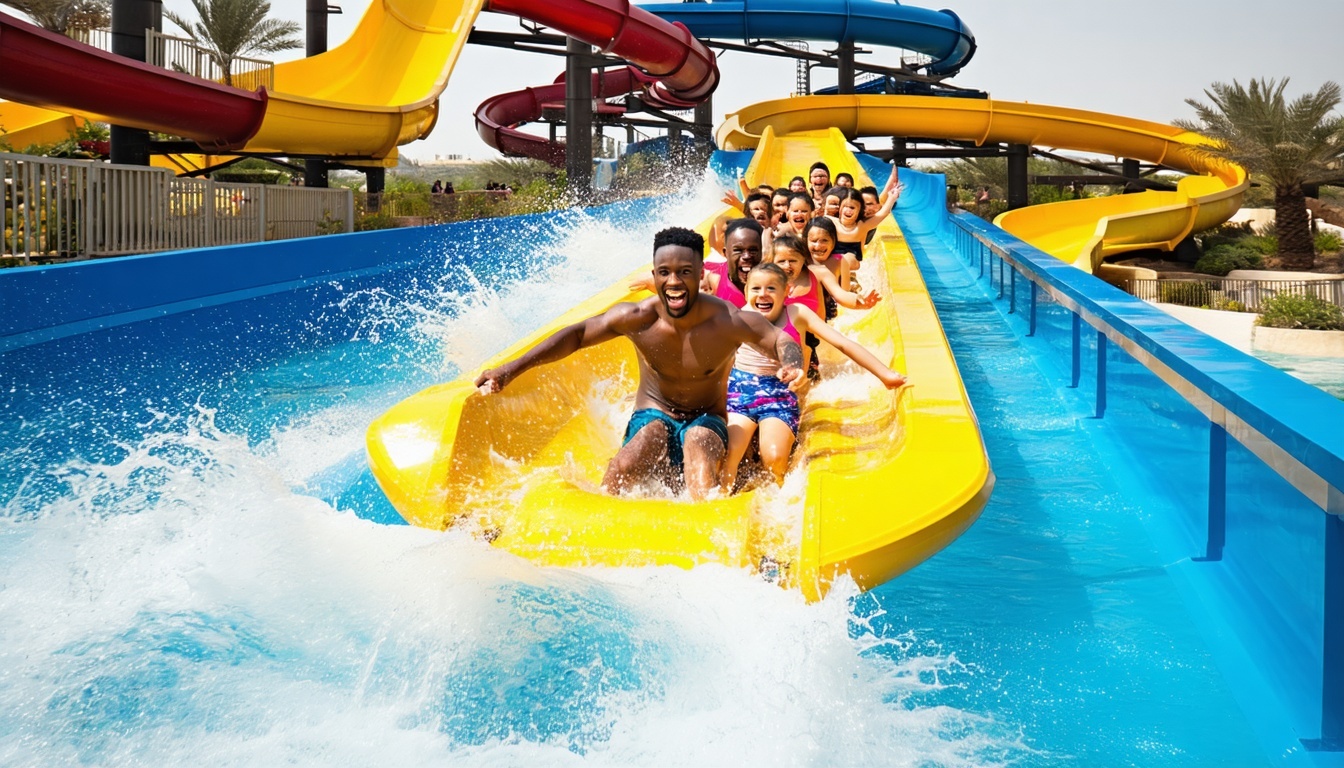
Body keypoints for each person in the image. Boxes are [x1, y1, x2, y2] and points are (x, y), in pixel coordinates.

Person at [477, 227, 803, 500]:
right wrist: (510, 369)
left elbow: (779, 339)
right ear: (655, 274)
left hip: (706, 420)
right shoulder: (637, 319)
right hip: (654, 414)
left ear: (701, 273)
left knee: (697, 447)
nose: (673, 282)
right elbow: (576, 335)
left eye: (684, 273)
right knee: (631, 457)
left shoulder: (726, 321)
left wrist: (792, 362)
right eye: (664, 273)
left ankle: (704, 534)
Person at [722, 263, 906, 492]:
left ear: (786, 291)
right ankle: (721, 498)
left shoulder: (797, 313)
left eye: (771, 288)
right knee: (728, 453)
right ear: (746, 290)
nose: (763, 294)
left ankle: (774, 497)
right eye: (756, 288)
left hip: (778, 395)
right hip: (741, 392)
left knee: (774, 458)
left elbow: (842, 343)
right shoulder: (738, 316)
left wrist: (885, 375)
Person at [829, 172, 902, 266]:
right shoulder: (832, 221)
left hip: (850, 261)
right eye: (845, 207)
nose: (848, 210)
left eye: (852, 208)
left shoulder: (862, 225)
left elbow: (884, 210)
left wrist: (892, 197)